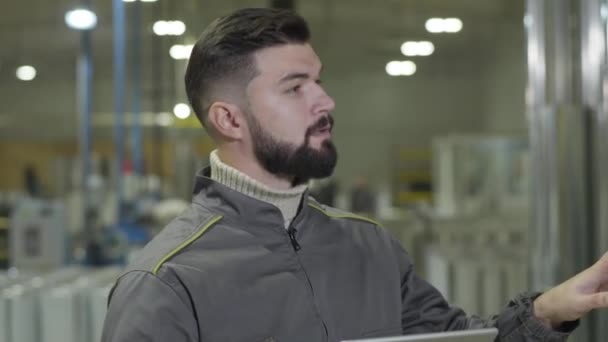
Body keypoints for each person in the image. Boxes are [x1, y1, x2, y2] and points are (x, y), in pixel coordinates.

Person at [101, 8, 608, 342]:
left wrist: (547, 311)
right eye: (295, 88)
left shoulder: (368, 246)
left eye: (318, 81)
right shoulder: (166, 283)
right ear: (228, 119)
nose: (325, 101)